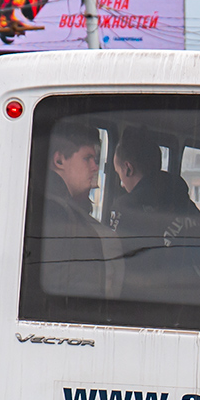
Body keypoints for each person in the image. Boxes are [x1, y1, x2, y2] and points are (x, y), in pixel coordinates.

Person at [108, 130, 200, 299]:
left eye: (119, 174)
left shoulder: (125, 210)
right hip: (199, 302)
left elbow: (115, 266)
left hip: (150, 306)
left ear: (128, 169)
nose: (121, 184)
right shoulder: (188, 205)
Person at [40, 122, 120, 300]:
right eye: (87, 158)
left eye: (96, 160)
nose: (94, 167)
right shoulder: (59, 218)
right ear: (59, 160)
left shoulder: (44, 207)